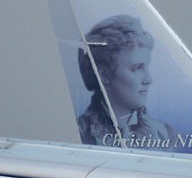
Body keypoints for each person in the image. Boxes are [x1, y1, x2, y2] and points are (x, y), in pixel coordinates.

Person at [76, 15, 181, 149]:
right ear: (104, 74)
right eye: (136, 68)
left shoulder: (165, 134)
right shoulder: (80, 133)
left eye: (146, 67)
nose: (148, 80)